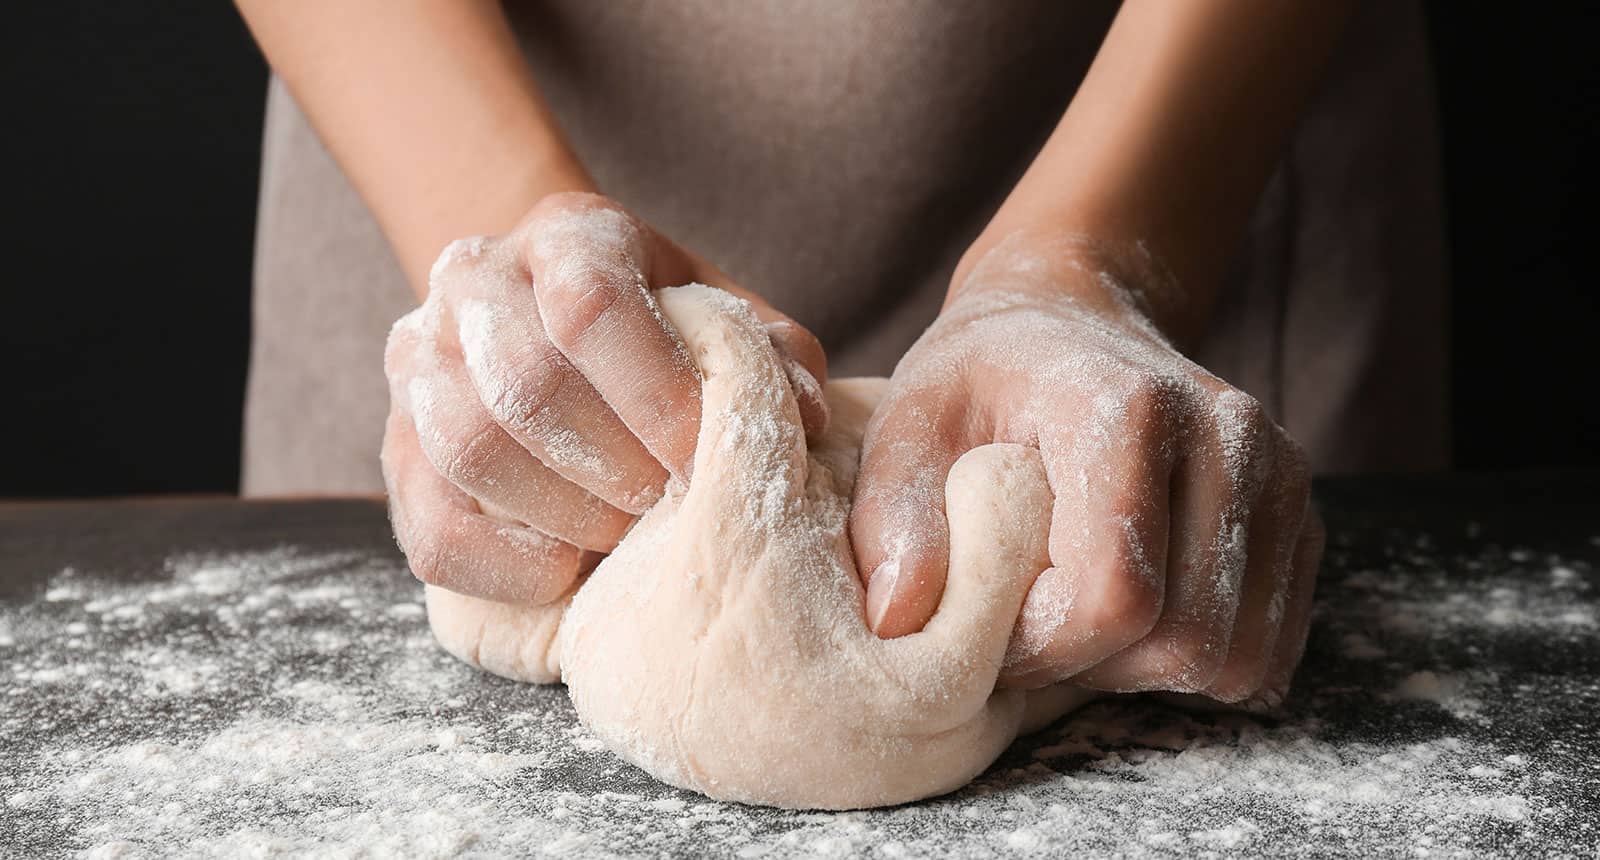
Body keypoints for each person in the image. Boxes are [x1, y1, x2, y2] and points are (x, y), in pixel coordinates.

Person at [235, 1, 1446, 707]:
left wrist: (1098, 256)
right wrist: (497, 217)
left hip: (1176, 130)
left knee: (1158, 588)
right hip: (432, 108)